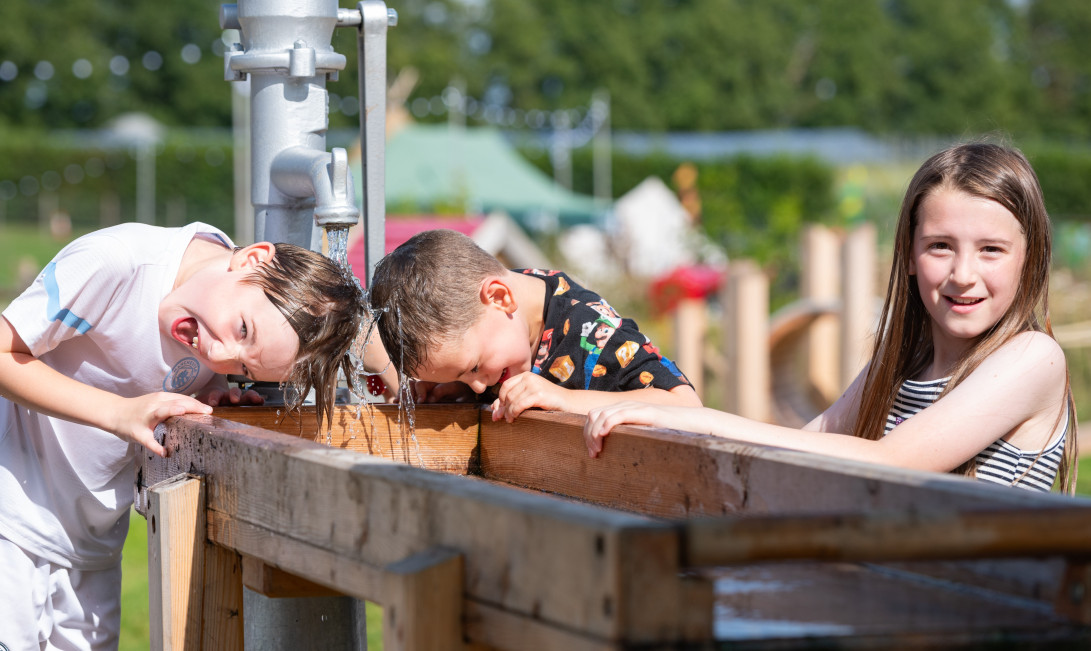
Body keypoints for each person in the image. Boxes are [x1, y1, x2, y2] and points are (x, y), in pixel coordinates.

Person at [0, 221, 369, 649]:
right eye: (242, 330)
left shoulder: (217, 303)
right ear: (252, 259)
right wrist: (121, 413)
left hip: (93, 545)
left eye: (244, 369)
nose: (219, 354)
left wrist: (214, 395)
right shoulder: (115, 264)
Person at [585, 142, 1077, 493]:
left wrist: (696, 421)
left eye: (991, 250)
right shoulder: (902, 365)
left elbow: (893, 462)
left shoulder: (1034, 358)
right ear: (907, 254)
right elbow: (805, 446)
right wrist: (584, 403)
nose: (963, 274)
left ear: (1029, 260)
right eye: (940, 247)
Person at [368, 228, 702, 422]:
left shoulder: (592, 331)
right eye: (463, 377)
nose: (480, 387)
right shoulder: (502, 321)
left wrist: (566, 400)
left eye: (474, 367)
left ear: (499, 298)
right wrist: (447, 386)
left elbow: (687, 406)